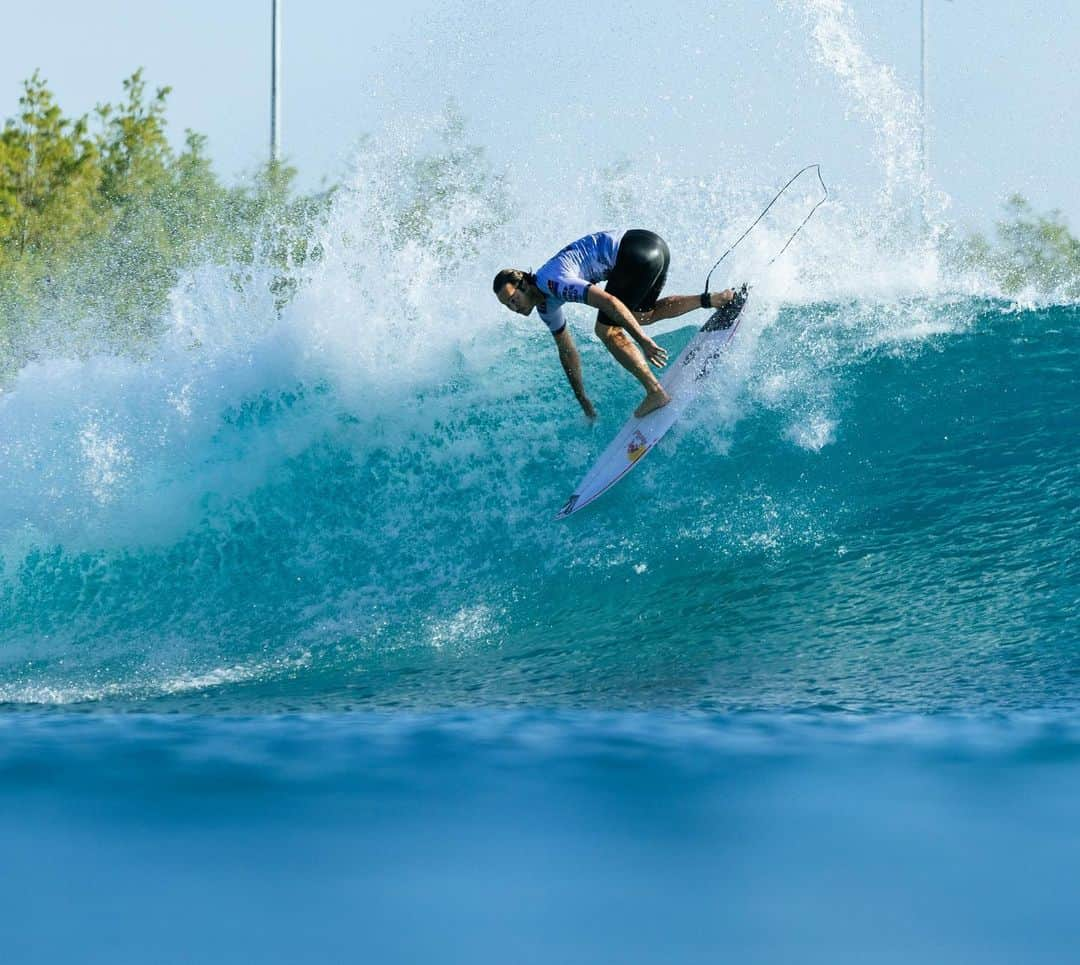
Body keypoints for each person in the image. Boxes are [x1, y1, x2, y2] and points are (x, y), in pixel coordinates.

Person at [493, 229, 738, 419]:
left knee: (606, 329)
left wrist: (642, 341)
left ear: (524, 285)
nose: (514, 308)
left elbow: (609, 302)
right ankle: (713, 299)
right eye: (508, 306)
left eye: (514, 300)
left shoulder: (553, 282)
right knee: (643, 314)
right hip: (652, 246)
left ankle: (655, 392)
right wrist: (582, 398)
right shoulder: (545, 305)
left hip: (633, 255)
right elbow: (567, 352)